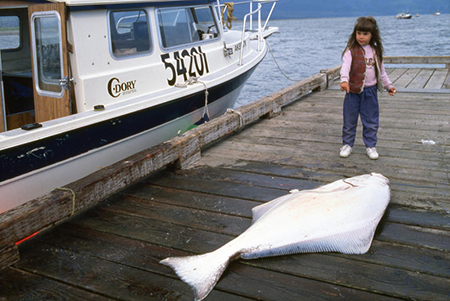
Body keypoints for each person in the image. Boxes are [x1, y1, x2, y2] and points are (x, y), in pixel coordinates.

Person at [339, 16, 396, 160]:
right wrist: (344, 81)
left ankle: (370, 146)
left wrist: (389, 85)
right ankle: (347, 144)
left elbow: (381, 72)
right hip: (352, 92)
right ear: (355, 34)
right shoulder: (350, 51)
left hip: (370, 92)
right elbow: (345, 67)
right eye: (359, 33)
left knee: (371, 120)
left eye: (365, 34)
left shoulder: (376, 51)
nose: (361, 37)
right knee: (349, 120)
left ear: (372, 35)